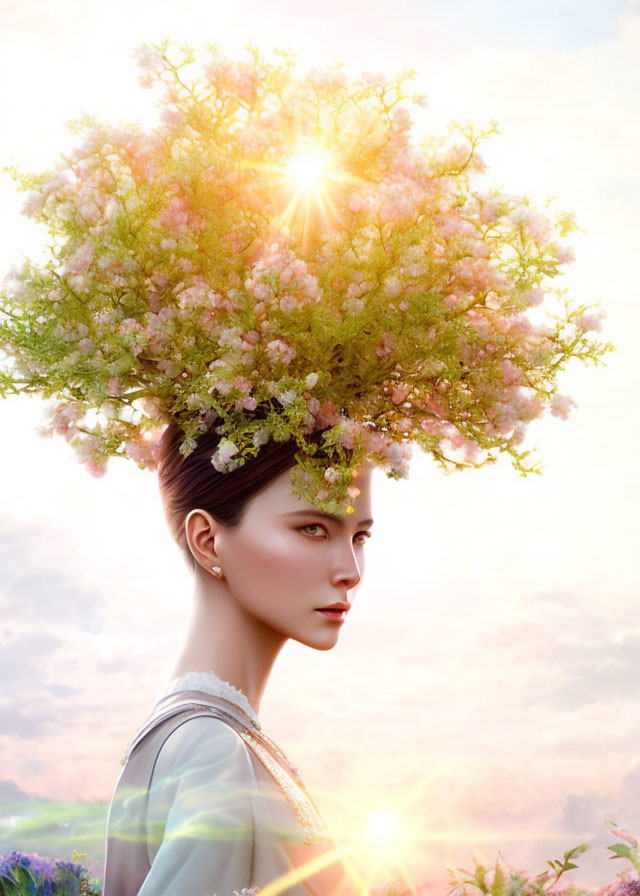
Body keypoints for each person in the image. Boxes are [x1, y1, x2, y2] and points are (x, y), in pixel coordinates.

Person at [102, 422, 374, 896]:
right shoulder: (211, 749)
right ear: (208, 540)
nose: (350, 572)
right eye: (313, 528)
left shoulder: (212, 737)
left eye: (359, 537)